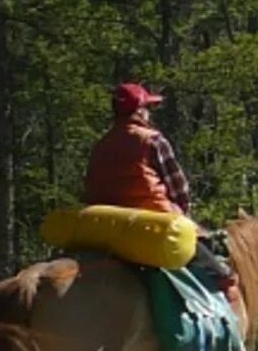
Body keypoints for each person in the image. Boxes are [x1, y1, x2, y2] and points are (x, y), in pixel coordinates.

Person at [83, 83, 234, 293]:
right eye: (147, 108)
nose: (148, 114)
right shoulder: (152, 140)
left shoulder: (101, 145)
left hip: (106, 226)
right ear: (139, 111)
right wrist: (185, 217)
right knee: (222, 276)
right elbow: (179, 188)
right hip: (153, 223)